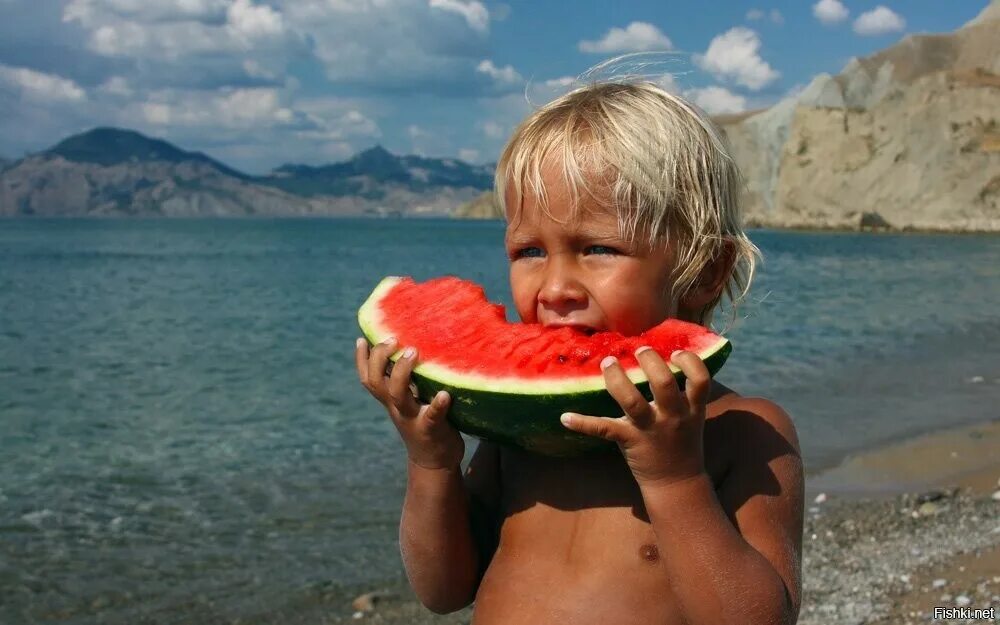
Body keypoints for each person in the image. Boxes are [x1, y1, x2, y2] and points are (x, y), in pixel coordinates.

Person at [355, 77, 804, 625]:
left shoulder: (744, 431)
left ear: (706, 272)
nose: (555, 287)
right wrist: (431, 463)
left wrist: (676, 479)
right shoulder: (520, 436)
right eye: (529, 251)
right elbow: (444, 590)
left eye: (597, 248)